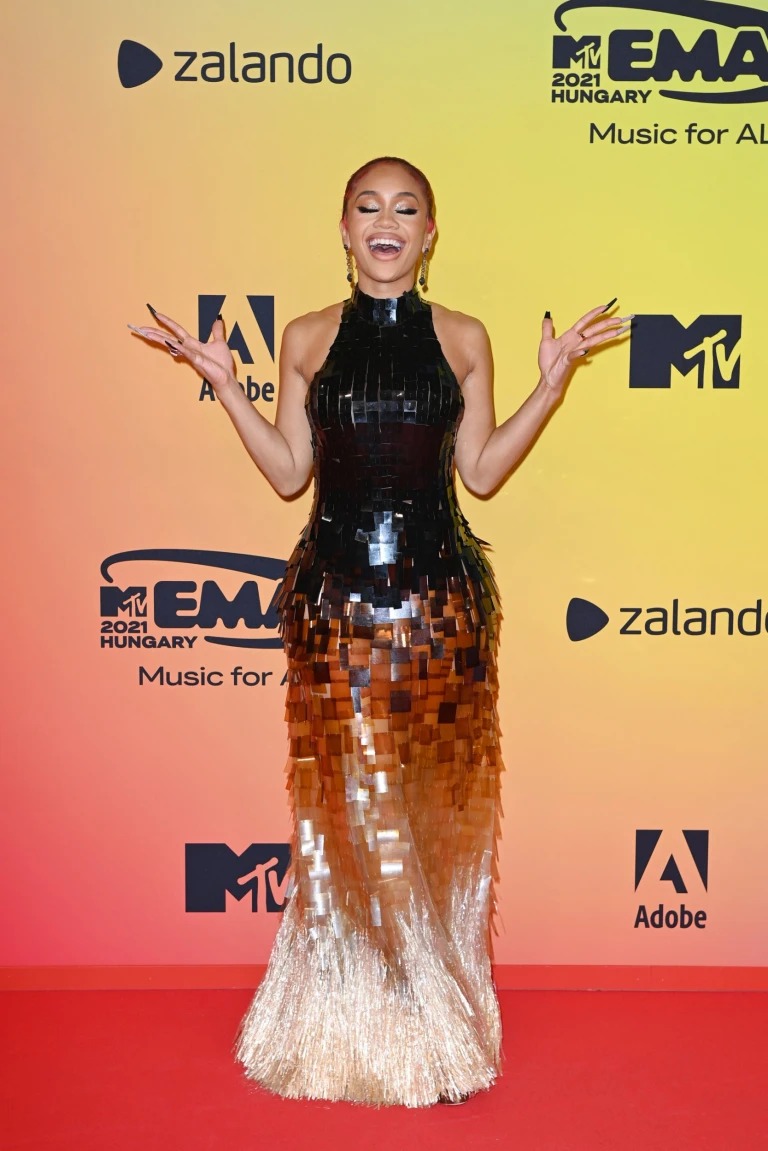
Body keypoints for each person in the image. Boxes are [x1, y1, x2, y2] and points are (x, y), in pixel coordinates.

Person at [130, 156, 629, 1107]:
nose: (386, 221)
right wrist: (226, 385)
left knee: (431, 817)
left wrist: (552, 384)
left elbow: (482, 472)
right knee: (355, 816)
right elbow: (290, 472)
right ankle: (376, 1023)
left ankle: (420, 1016)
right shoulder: (307, 336)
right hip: (337, 611)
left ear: (431, 234)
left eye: (406, 208)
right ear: (344, 228)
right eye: (368, 206)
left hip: (441, 612)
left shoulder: (465, 337)